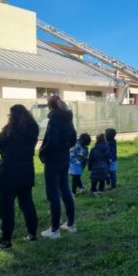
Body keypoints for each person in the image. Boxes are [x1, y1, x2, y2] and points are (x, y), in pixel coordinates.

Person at [0, 104, 40, 249]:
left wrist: (5, 131)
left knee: (7, 207)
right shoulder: (33, 128)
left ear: (12, 116)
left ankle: (5, 240)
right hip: (26, 170)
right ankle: (32, 234)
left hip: (9, 171)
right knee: (27, 204)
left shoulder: (10, 129)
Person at [39, 96, 77, 238]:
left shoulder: (54, 120)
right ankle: (70, 224)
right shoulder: (68, 119)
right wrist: (65, 147)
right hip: (64, 159)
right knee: (65, 190)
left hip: (53, 161)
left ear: (50, 106)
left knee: (53, 194)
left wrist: (42, 152)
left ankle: (54, 229)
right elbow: (73, 139)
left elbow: (52, 141)